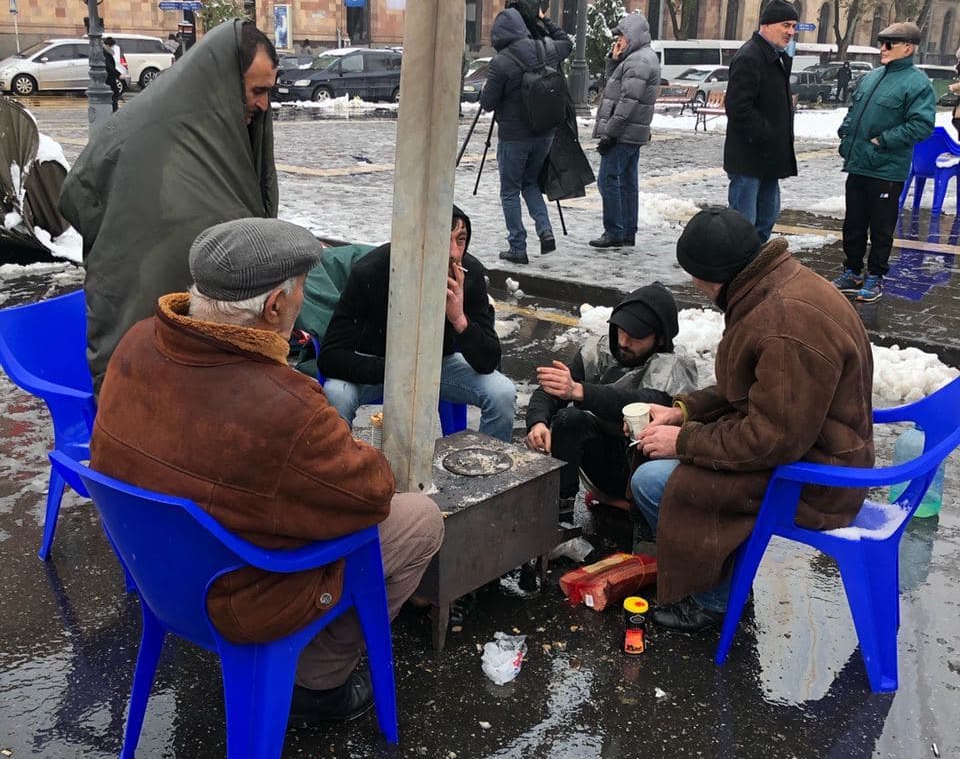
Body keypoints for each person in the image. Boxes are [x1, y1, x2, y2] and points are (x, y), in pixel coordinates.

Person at [90, 217, 445, 724]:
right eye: (301, 291)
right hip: (241, 597)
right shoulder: (284, 406)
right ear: (276, 306)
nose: (302, 301)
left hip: (158, 574)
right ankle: (320, 682)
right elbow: (372, 495)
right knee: (420, 519)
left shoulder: (138, 341)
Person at [631, 207, 874, 633]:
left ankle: (716, 600)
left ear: (716, 276)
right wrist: (684, 410)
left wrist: (683, 442)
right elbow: (750, 388)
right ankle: (724, 578)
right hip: (816, 447)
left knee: (654, 483)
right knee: (671, 469)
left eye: (694, 274)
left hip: (817, 479)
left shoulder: (784, 322)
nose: (692, 284)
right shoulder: (773, 283)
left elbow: (773, 440)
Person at [60, 19, 280, 391]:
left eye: (270, 91)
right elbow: (78, 192)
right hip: (141, 332)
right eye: (257, 90)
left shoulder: (223, 132)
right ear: (224, 83)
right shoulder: (150, 129)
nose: (264, 104)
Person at [318, 205, 517, 441]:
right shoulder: (372, 272)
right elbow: (330, 357)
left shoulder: (468, 272)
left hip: (436, 364)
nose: (454, 252)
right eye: (443, 240)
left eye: (461, 240)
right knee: (336, 394)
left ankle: (489, 468)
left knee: (502, 393)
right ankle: (341, 472)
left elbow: (489, 360)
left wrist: (459, 320)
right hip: (379, 365)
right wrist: (395, 371)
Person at [525, 282, 697, 518]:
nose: (624, 342)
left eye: (636, 337)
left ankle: (638, 513)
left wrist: (579, 391)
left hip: (643, 467)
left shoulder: (673, 366)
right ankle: (561, 516)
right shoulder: (600, 350)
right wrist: (538, 423)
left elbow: (640, 401)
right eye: (621, 331)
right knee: (569, 419)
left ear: (659, 339)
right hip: (602, 459)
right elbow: (553, 388)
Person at [833, 21, 936, 304]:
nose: (883, 48)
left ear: (908, 47)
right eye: (882, 43)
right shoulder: (872, 77)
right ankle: (852, 271)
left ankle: (875, 276)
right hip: (857, 164)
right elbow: (855, 110)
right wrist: (845, 133)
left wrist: (885, 140)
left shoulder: (917, 83)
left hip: (887, 169)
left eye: (890, 43)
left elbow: (922, 125)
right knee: (853, 223)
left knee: (881, 227)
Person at [480, 0, 572, 265]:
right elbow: (566, 43)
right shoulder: (545, 47)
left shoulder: (501, 63)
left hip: (513, 138)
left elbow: (487, 103)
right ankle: (545, 231)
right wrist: (545, 20)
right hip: (544, 134)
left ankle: (517, 247)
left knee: (510, 190)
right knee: (530, 183)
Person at [723, 0, 799, 242]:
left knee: (765, 220)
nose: (791, 32)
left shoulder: (775, 56)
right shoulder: (751, 56)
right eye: (786, 25)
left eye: (793, 26)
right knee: (743, 227)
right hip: (750, 159)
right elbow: (738, 107)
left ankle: (755, 271)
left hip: (768, 160)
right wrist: (766, 134)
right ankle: (738, 275)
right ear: (766, 24)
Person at [590, 11, 660, 249]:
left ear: (633, 35)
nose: (618, 40)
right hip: (633, 133)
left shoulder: (638, 61)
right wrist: (614, 60)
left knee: (608, 180)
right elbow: (616, 87)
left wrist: (610, 133)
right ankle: (627, 231)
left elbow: (626, 102)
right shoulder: (639, 58)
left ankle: (615, 231)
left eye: (622, 36)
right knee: (628, 183)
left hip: (624, 133)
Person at [102, 37, 122, 112]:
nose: (113, 48)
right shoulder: (105, 54)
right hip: (109, 79)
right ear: (108, 45)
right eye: (112, 46)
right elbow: (110, 67)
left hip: (109, 78)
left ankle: (114, 110)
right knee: (114, 94)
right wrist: (118, 75)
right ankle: (114, 111)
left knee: (114, 94)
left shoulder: (106, 53)